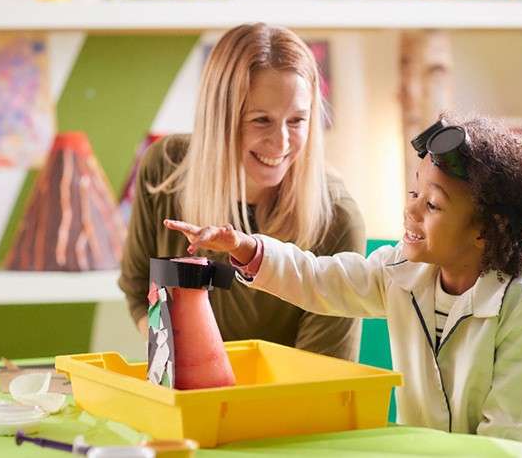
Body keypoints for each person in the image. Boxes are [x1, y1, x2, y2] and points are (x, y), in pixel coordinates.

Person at [166, 115, 522, 458]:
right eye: (415, 192)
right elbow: (319, 279)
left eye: (432, 204)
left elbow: (504, 442)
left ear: (487, 232)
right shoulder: (402, 270)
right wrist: (246, 246)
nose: (412, 209)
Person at [118, 23, 365, 361]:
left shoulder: (337, 219)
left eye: (296, 121)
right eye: (261, 120)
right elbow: (137, 286)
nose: (281, 142)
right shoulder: (164, 168)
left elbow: (321, 376)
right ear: (219, 119)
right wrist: (177, 358)